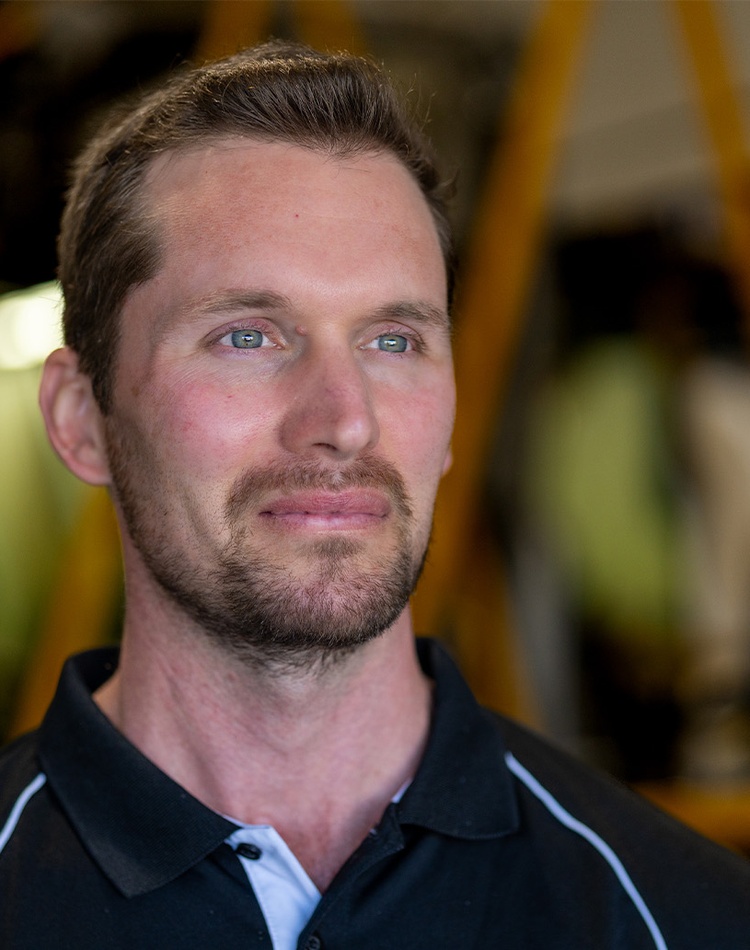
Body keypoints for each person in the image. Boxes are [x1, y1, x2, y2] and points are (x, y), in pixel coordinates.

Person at [1, 42, 749, 950]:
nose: (346, 420)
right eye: (248, 336)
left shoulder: (685, 918)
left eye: (394, 342)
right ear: (81, 416)